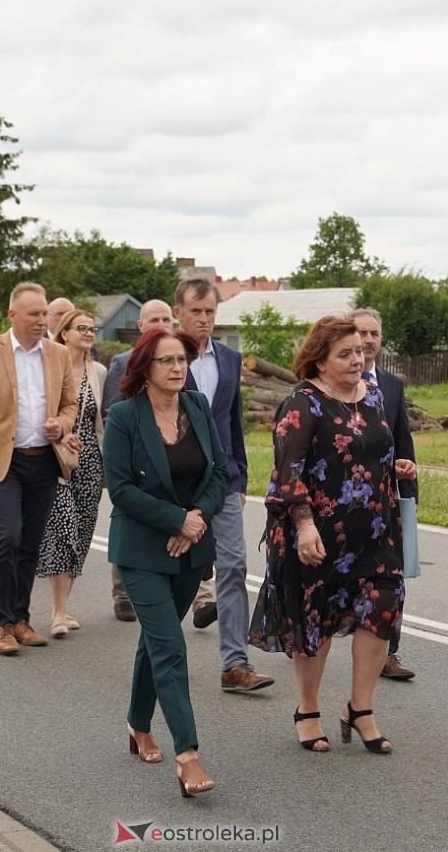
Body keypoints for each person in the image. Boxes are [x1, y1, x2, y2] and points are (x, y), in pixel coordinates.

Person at [249, 316, 414, 755]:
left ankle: (360, 709)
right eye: (345, 353)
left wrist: (392, 466)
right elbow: (287, 474)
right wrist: (303, 525)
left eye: (359, 350)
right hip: (318, 535)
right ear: (319, 361)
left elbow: (372, 448)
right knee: (315, 621)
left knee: (381, 608)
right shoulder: (303, 403)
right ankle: (307, 709)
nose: (358, 359)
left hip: (375, 530)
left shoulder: (373, 395)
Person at [104, 326, 226, 797]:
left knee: (154, 643)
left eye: (182, 360)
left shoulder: (196, 406)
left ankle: (137, 723)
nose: (178, 368)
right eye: (167, 361)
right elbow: (122, 490)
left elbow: (219, 468)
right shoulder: (124, 417)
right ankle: (188, 755)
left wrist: (195, 519)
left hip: (189, 545)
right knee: (171, 647)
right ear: (145, 368)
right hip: (141, 550)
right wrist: (175, 520)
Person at [0, 282, 79, 655]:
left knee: (30, 544)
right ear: (12, 316)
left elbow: (70, 405)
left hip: (43, 460)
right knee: (7, 536)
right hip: (2, 462)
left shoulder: (58, 354)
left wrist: (62, 424)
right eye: (33, 314)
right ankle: (2, 624)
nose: (41, 320)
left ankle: (21, 619)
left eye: (44, 314)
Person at [173, 278, 273, 694]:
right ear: (179, 311)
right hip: (177, 483)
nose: (204, 319)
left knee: (233, 566)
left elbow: (232, 422)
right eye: (196, 311)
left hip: (225, 480)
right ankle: (160, 652)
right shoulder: (166, 358)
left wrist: (241, 475)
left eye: (210, 311)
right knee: (176, 573)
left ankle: (235, 663)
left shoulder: (230, 359)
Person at [351, 308, 419, 682]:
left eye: (374, 333)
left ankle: (387, 653)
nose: (368, 339)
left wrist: (409, 499)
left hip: (386, 500)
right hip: (344, 501)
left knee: (392, 578)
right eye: (361, 332)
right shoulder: (335, 380)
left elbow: (403, 442)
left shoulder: (392, 385)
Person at [101, 298, 175, 621]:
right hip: (137, 461)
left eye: (166, 318)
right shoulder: (122, 362)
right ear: (141, 326)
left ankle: (197, 595)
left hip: (172, 461)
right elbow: (113, 411)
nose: (161, 324)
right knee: (132, 523)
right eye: (154, 319)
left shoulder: (179, 361)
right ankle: (122, 592)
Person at [37, 309, 106, 636]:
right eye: (82, 328)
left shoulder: (100, 371)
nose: (89, 334)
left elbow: (102, 420)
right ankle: (58, 612)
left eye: (92, 329)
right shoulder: (49, 367)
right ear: (64, 333)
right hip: (56, 458)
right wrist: (61, 434)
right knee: (63, 526)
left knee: (82, 531)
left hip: (91, 460)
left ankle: (64, 607)